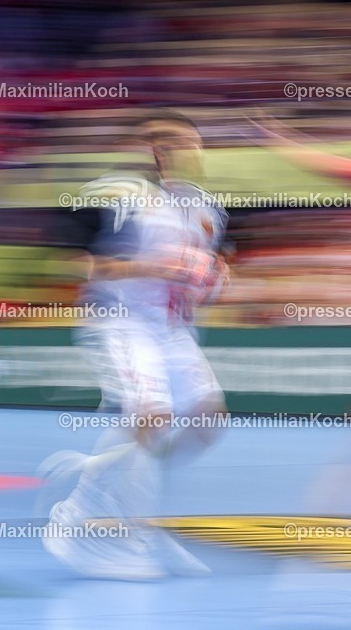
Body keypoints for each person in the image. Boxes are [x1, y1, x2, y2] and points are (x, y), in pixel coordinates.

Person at [41, 110, 229, 580]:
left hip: (172, 330)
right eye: (164, 141)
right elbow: (88, 267)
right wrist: (159, 267)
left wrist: (215, 280)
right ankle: (78, 514)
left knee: (208, 422)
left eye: (188, 141)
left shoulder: (206, 210)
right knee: (153, 416)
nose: (179, 149)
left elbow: (202, 276)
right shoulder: (124, 197)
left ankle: (131, 505)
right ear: (151, 151)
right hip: (122, 320)